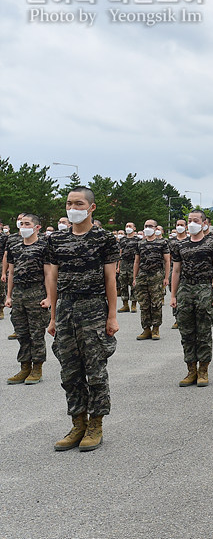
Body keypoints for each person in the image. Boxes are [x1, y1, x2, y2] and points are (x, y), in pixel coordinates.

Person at [44, 187, 119, 451]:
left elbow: (111, 279)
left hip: (93, 308)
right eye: (69, 203)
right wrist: (53, 317)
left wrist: (112, 315)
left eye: (78, 203)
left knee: (95, 370)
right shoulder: (56, 241)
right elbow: (52, 279)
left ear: (91, 207)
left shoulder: (105, 239)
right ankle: (78, 423)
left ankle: (95, 425)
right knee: (70, 371)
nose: (73, 208)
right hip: (65, 308)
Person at [170, 210, 213, 387]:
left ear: (203, 223)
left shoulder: (212, 244)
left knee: (203, 332)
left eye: (195, 220)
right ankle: (191, 370)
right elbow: (176, 271)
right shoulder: (181, 245)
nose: (191, 223)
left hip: (203, 289)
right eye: (189, 220)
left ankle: (203, 370)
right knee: (186, 332)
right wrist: (173, 295)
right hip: (185, 289)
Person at [5, 214, 50, 385]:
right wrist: (9, 296)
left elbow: (48, 274)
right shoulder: (15, 247)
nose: (23, 226)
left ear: (37, 227)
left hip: (36, 293)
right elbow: (11, 273)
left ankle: (37, 367)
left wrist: (49, 297)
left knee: (36, 332)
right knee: (22, 333)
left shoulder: (44, 247)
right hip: (19, 294)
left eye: (27, 224)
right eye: (21, 223)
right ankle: (25, 367)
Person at [132, 219, 170, 340]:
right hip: (142, 276)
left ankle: (156, 329)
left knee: (156, 304)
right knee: (143, 304)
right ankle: (146, 329)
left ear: (155, 228)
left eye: (150, 226)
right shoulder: (140, 243)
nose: (148, 228)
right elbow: (137, 261)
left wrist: (166, 277)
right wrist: (134, 278)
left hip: (156, 276)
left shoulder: (162, 243)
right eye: (145, 226)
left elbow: (167, 261)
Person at [116, 223, 139, 313]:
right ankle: (125, 305)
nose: (128, 228)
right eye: (126, 226)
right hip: (124, 264)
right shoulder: (122, 240)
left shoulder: (137, 240)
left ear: (134, 228)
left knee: (134, 285)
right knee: (123, 285)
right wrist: (118, 266)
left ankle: (134, 305)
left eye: (130, 226)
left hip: (133, 263)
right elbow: (120, 253)